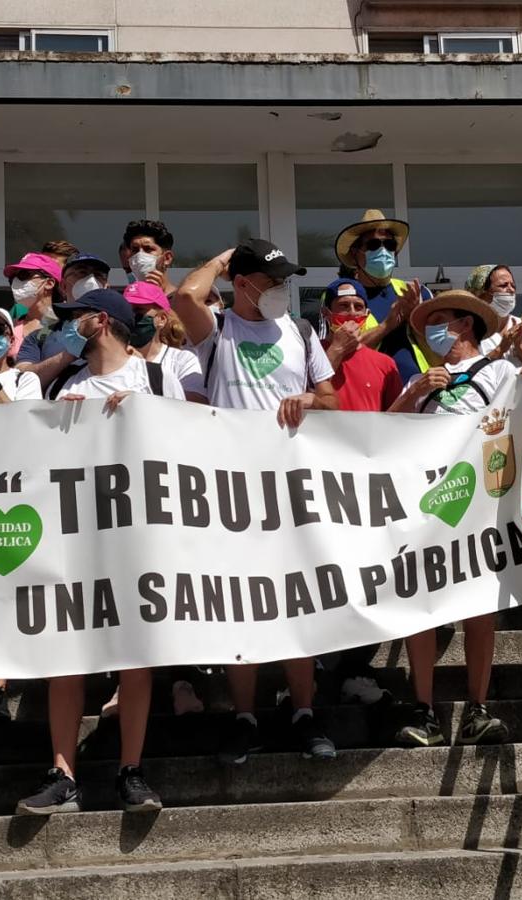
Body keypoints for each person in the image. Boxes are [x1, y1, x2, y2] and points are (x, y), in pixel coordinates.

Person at [13, 287, 182, 817]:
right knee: (66, 653)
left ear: (100, 321)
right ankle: (62, 775)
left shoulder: (153, 377)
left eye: (72, 318)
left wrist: (145, 414)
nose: (63, 327)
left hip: (137, 535)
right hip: (72, 532)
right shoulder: (66, 381)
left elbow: (192, 444)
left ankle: (131, 770)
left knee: (135, 654)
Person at [173, 238, 340, 765]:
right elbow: (182, 299)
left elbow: (333, 400)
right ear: (241, 284)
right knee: (238, 605)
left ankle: (305, 712)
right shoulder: (218, 329)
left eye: (284, 281)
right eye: (271, 281)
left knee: (298, 600)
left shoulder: (303, 330)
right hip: (230, 491)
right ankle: (245, 717)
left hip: (291, 486)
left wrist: (312, 399)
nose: (281, 290)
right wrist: (221, 260)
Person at [384, 290, 522, 746]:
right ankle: (424, 709)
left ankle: (478, 707)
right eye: (429, 322)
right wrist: (413, 392)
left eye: (442, 320)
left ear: (466, 325)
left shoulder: (500, 372)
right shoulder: (420, 377)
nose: (433, 329)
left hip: (483, 504)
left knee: (479, 608)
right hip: (426, 504)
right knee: (420, 606)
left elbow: (517, 431)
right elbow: (381, 435)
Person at [334, 209, 431, 377]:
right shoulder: (343, 297)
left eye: (389, 245)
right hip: (371, 394)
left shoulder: (417, 292)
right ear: (355, 253)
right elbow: (341, 351)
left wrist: (415, 318)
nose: (383, 251)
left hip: (419, 391)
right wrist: (387, 325)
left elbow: (440, 347)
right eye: (373, 245)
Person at [321, 278, 403, 413]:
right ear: (326, 313)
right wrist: (337, 349)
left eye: (358, 307)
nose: (352, 313)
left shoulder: (385, 364)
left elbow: (396, 418)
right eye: (344, 306)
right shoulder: (311, 353)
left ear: (367, 314)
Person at [124, 281, 206, 402]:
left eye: (138, 310)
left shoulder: (182, 360)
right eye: (126, 311)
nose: (131, 317)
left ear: (161, 319)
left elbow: (197, 402)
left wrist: (139, 398)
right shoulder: (113, 360)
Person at [3, 251, 64, 365]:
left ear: (49, 283)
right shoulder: (10, 325)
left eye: (23, 275)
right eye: (12, 279)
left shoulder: (68, 323)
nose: (16, 282)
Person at [121, 219, 176, 291]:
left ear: (167, 258)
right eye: (135, 250)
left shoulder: (181, 300)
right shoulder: (125, 300)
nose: (140, 255)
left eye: (148, 249)